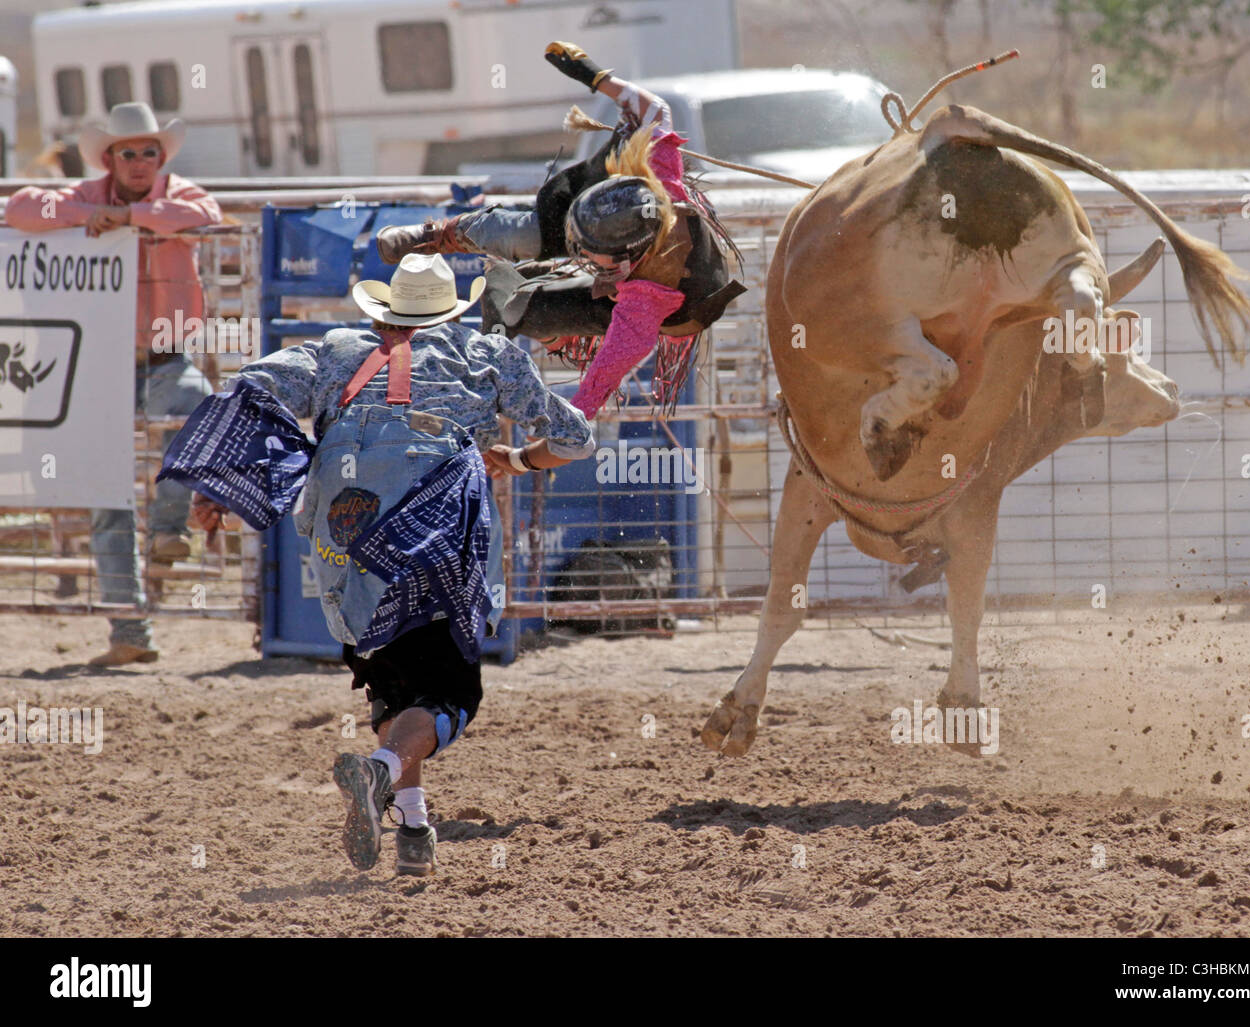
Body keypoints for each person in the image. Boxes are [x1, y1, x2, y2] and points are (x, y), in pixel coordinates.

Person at [158, 253, 594, 876]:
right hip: (432, 522)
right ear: (453, 310)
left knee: (392, 676)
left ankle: (413, 825)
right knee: (449, 691)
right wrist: (520, 459)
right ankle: (379, 772)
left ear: (386, 310)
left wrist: (221, 486)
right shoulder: (488, 356)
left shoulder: (333, 351)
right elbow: (576, 437)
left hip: (345, 526)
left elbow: (253, 387)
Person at [376, 41, 745, 418]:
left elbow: (597, 386)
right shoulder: (659, 175)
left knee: (514, 302)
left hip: (677, 307)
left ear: (623, 261)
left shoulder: (641, 308)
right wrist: (595, 76)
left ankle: (551, 343)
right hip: (639, 247)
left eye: (587, 251)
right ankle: (438, 234)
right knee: (527, 233)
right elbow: (654, 109)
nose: (577, 250)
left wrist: (544, 443)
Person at [5, 102, 223, 666]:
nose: (141, 161)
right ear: (111, 157)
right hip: (99, 366)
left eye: (150, 151)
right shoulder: (85, 198)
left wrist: (128, 220)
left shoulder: (179, 196)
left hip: (163, 355)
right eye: (129, 152)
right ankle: (130, 631)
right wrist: (86, 218)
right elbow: (23, 207)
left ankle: (170, 527)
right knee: (107, 494)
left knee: (198, 412)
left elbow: (205, 217)